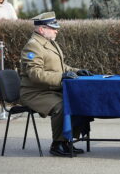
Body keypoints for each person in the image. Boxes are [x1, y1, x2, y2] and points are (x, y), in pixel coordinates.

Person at [20, 12, 93, 157]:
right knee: (62, 106)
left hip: (49, 90)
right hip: (35, 93)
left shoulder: (49, 42)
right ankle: (57, 144)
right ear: (41, 29)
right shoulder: (33, 46)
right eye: (53, 28)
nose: (56, 30)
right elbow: (36, 74)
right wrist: (62, 77)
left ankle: (67, 141)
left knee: (76, 102)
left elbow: (61, 67)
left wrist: (77, 71)